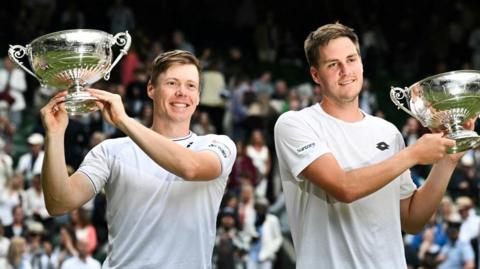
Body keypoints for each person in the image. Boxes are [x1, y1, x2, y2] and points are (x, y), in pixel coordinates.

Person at [273, 22, 472, 269]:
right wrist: (413, 154)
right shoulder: (295, 124)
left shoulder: (388, 132)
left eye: (351, 59)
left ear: (362, 63)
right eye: (333, 64)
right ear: (316, 75)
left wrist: (447, 160)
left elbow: (412, 220)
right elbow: (344, 188)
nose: (346, 70)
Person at [40, 50, 236, 269]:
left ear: (198, 97)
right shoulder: (110, 150)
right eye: (172, 83)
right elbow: (59, 203)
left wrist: (124, 121)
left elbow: (190, 168)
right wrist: (55, 136)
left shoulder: (217, 145)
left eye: (191, 86)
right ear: (151, 89)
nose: (182, 92)